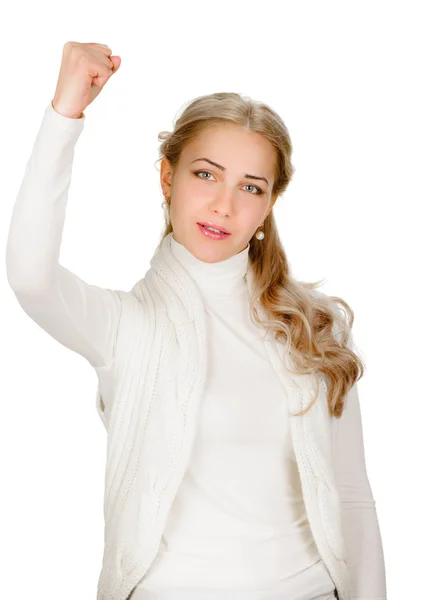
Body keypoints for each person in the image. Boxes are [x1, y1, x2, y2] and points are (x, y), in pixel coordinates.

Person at [5, 42, 387, 600]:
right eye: (206, 175)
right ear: (168, 177)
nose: (223, 206)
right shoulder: (125, 327)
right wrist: (65, 114)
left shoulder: (315, 326)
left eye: (250, 187)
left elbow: (351, 494)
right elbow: (31, 278)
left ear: (268, 204)